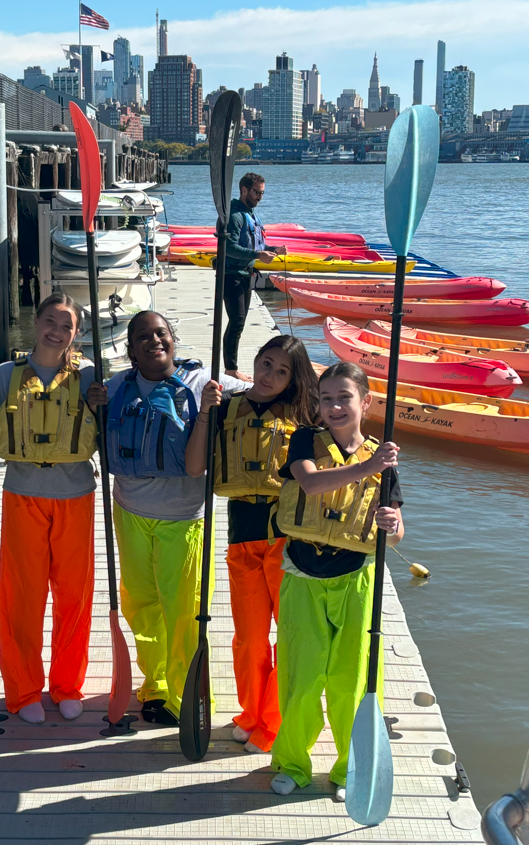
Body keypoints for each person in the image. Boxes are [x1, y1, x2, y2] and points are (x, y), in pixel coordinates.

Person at [0, 292, 105, 725]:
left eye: (66, 326)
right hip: (23, 496)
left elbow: (104, 433)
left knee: (74, 596)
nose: (56, 331)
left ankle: (67, 685)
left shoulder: (90, 376)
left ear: (76, 333)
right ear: (37, 322)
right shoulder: (5, 374)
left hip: (76, 497)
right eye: (50, 321)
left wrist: (103, 403)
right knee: (23, 597)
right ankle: (23, 690)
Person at [104, 310, 251, 725]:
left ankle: (189, 693)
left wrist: (329, 400)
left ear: (173, 339)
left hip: (185, 519)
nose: (154, 341)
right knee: (142, 604)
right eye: (143, 337)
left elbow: (262, 393)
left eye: (161, 333)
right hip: (130, 512)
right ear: (130, 349)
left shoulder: (204, 383)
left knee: (184, 609)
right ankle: (156, 686)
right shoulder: (117, 385)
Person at [267, 362, 404, 800]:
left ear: (365, 402)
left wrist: (392, 521)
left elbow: (398, 529)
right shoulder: (306, 439)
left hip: (356, 579)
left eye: (344, 397)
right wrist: (371, 468)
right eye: (326, 399)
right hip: (303, 576)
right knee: (302, 675)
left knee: (351, 680)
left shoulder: (384, 456)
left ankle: (349, 770)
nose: (334, 406)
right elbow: (307, 483)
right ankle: (293, 762)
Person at [186, 335, 319, 754]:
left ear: (293, 380)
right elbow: (194, 467)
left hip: (289, 540)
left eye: (282, 372)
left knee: (290, 634)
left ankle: (274, 721)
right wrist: (206, 411)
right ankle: (251, 712)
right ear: (254, 362)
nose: (270, 376)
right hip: (242, 535)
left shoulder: (306, 417)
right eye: (266, 364)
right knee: (249, 638)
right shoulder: (225, 406)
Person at [222, 172, 288, 380]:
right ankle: (230, 369)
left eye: (262, 193)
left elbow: (255, 244)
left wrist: (273, 249)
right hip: (231, 275)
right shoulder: (234, 216)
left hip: (245, 275)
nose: (259, 197)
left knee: (239, 321)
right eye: (257, 192)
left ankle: (231, 367)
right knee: (237, 321)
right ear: (244, 190)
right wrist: (257, 255)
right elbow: (228, 247)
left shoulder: (250, 214)